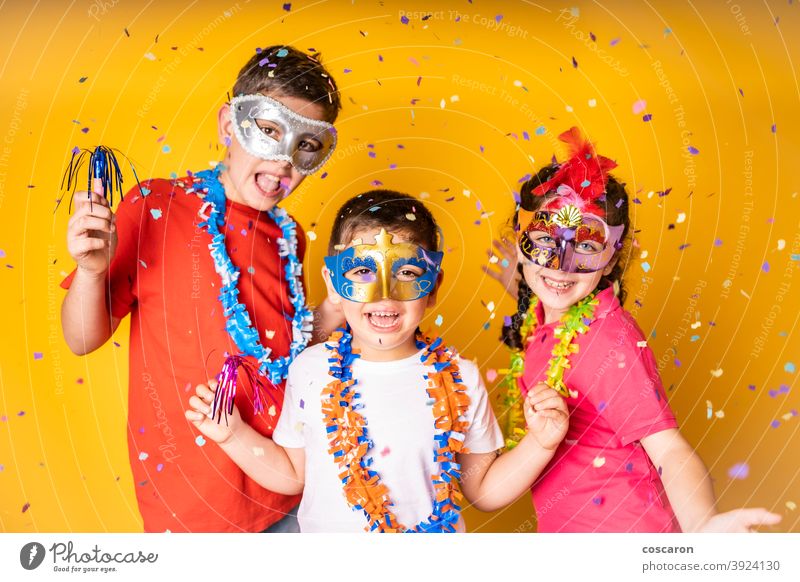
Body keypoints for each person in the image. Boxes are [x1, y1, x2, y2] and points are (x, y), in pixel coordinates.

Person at [61, 45, 344, 532]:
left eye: (305, 147)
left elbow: (282, 350)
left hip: (290, 488)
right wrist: (90, 273)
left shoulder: (289, 234)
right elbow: (81, 338)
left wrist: (332, 313)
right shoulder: (156, 206)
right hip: (194, 510)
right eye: (270, 132)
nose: (283, 161)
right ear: (229, 125)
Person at [186, 191, 569, 532]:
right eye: (362, 270)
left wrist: (541, 444)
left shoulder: (461, 378)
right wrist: (232, 434)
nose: (384, 295)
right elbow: (292, 474)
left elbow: (483, 489)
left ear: (432, 287)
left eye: (407, 273)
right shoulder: (310, 369)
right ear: (335, 284)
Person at [494, 127, 782, 532]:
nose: (561, 264)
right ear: (521, 242)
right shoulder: (545, 318)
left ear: (612, 260)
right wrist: (525, 282)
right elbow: (549, 293)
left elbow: (667, 447)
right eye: (543, 242)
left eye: (588, 246)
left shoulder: (608, 340)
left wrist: (702, 527)